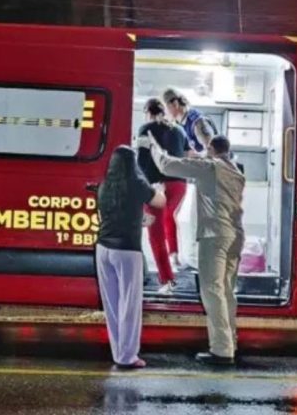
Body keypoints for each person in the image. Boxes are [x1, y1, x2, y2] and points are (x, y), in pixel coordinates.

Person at [148, 133, 245, 366]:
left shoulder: (210, 167)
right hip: (236, 235)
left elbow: (167, 165)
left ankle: (222, 350)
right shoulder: (236, 170)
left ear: (211, 149)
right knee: (227, 291)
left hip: (214, 235)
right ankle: (230, 341)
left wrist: (152, 144)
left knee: (211, 290)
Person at [96, 145, 166, 369]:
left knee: (112, 306)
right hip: (127, 251)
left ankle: (119, 353)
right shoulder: (137, 183)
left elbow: (112, 214)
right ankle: (128, 357)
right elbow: (160, 201)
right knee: (130, 305)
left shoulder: (104, 186)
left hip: (103, 248)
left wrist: (140, 219)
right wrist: (157, 186)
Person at [137, 98, 189, 293]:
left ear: (147, 112)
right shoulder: (179, 130)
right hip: (179, 184)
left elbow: (142, 159)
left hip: (157, 186)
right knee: (170, 218)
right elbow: (185, 156)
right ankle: (175, 255)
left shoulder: (146, 128)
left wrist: (142, 185)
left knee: (155, 233)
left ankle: (167, 281)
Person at [162, 88, 217, 154]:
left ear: (175, 104)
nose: (164, 113)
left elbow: (212, 154)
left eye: (165, 108)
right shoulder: (178, 125)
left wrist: (191, 156)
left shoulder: (197, 122)